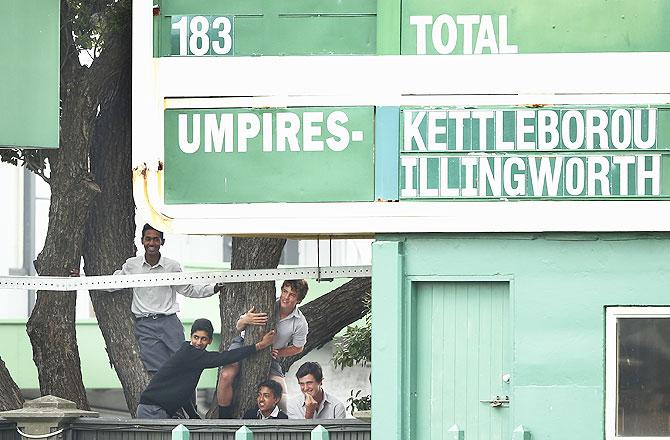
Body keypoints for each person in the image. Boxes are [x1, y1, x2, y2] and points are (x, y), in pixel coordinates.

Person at [118, 224, 224, 374]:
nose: (152, 243)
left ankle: (187, 398)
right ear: (142, 241)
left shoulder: (172, 266)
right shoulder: (132, 265)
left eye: (156, 239)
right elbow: (112, 283)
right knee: (156, 371)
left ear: (162, 242)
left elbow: (188, 289)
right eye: (148, 239)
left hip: (169, 322)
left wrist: (212, 289)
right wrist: (80, 280)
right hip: (145, 325)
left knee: (184, 364)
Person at [136, 318, 274, 419]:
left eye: (203, 339)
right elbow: (225, 357)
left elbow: (182, 392)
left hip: (157, 410)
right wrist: (259, 345)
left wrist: (194, 416)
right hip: (152, 410)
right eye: (195, 337)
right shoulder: (190, 353)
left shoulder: (194, 358)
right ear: (190, 337)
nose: (198, 342)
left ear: (210, 341)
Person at [217, 279, 309, 418]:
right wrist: (245, 320)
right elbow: (238, 326)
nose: (286, 297)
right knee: (225, 375)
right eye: (285, 291)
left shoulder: (300, 322)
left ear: (299, 300)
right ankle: (223, 421)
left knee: (282, 392)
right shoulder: (266, 301)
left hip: (270, 355)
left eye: (292, 295)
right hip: (243, 343)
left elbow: (298, 347)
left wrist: (279, 352)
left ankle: (281, 427)